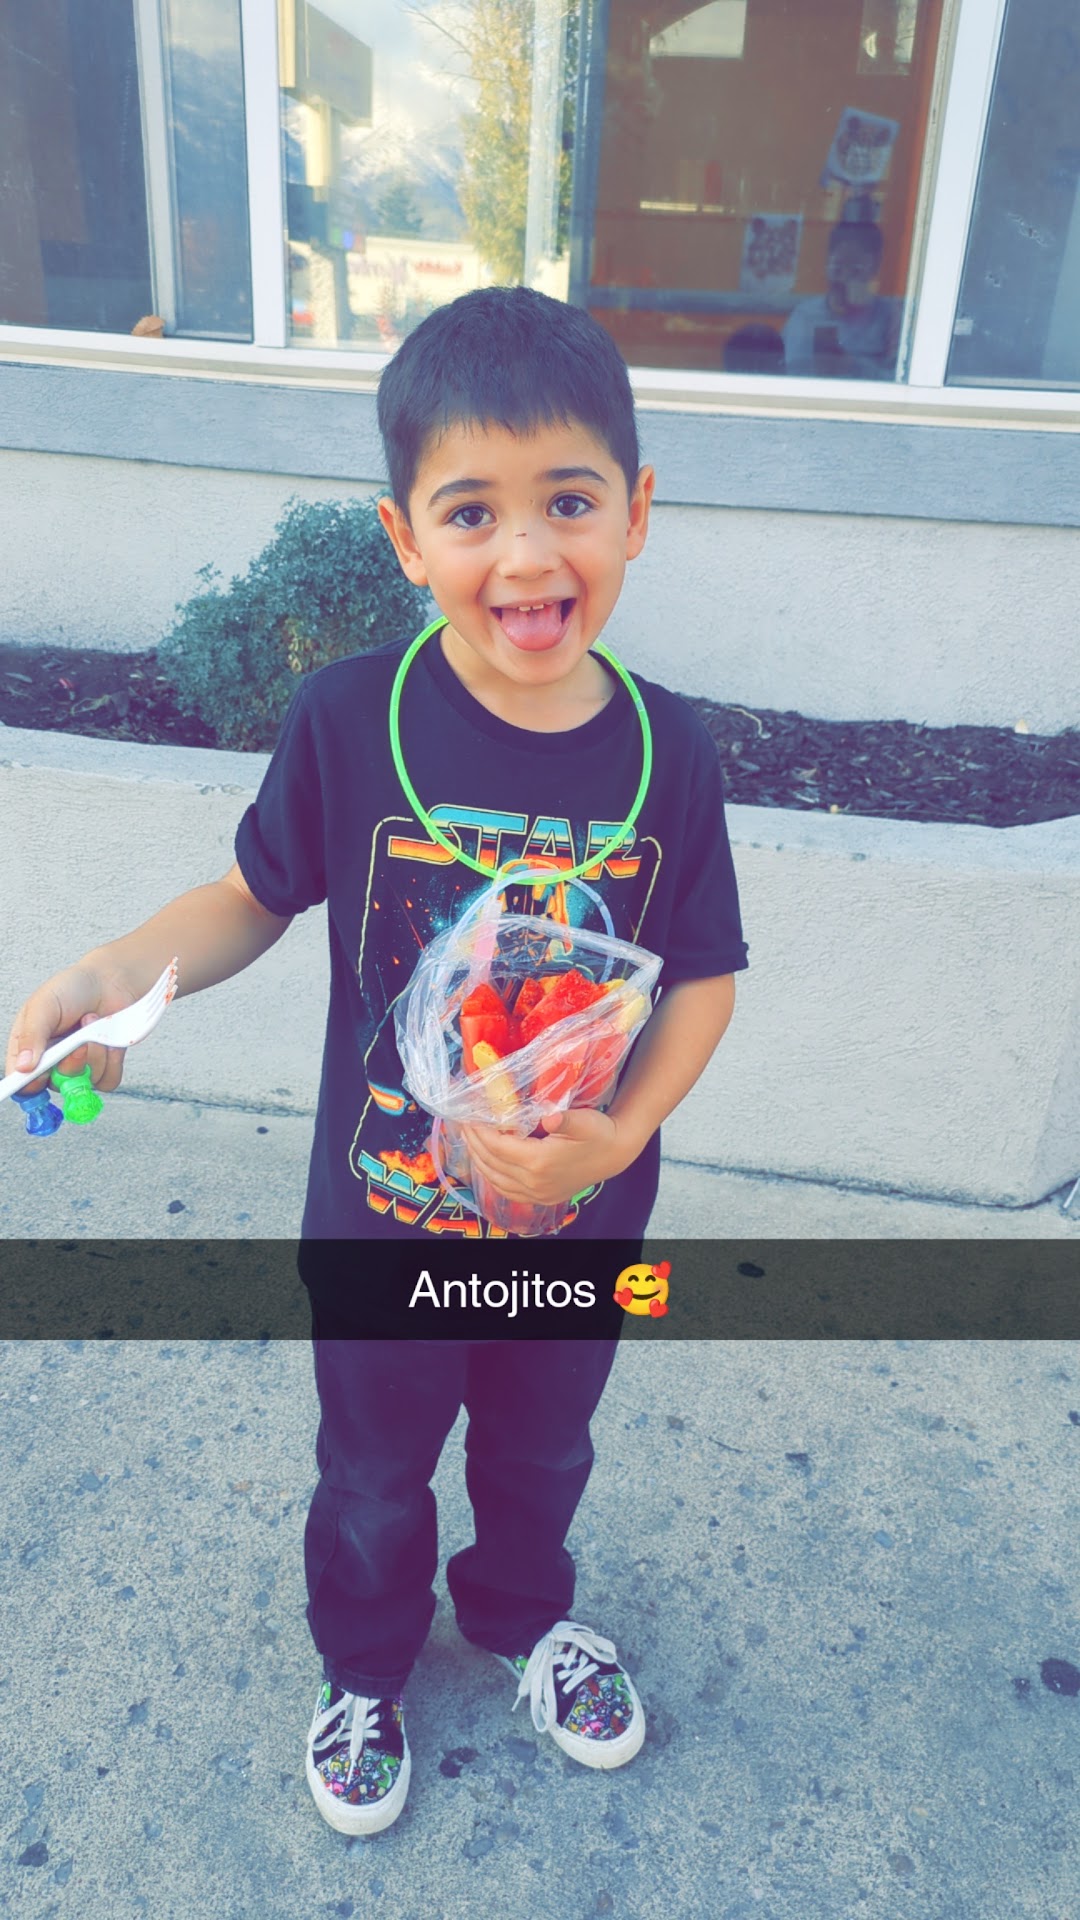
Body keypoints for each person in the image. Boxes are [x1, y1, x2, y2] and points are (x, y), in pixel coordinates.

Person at [5, 286, 748, 1836]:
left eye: (569, 503)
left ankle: (526, 1617)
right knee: (371, 1471)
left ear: (637, 510)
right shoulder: (351, 721)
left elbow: (701, 980)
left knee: (543, 1451)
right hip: (382, 1226)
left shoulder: (672, 752)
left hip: (575, 1228)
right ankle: (364, 1665)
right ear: (407, 539)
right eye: (472, 512)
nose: (527, 555)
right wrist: (113, 978)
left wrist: (619, 1140)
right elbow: (249, 897)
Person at [783, 220, 901, 380]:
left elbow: (901, 381)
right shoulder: (805, 316)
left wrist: (852, 366)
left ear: (874, 269)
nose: (844, 279)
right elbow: (790, 376)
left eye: (856, 270)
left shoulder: (891, 318)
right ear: (826, 265)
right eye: (837, 268)